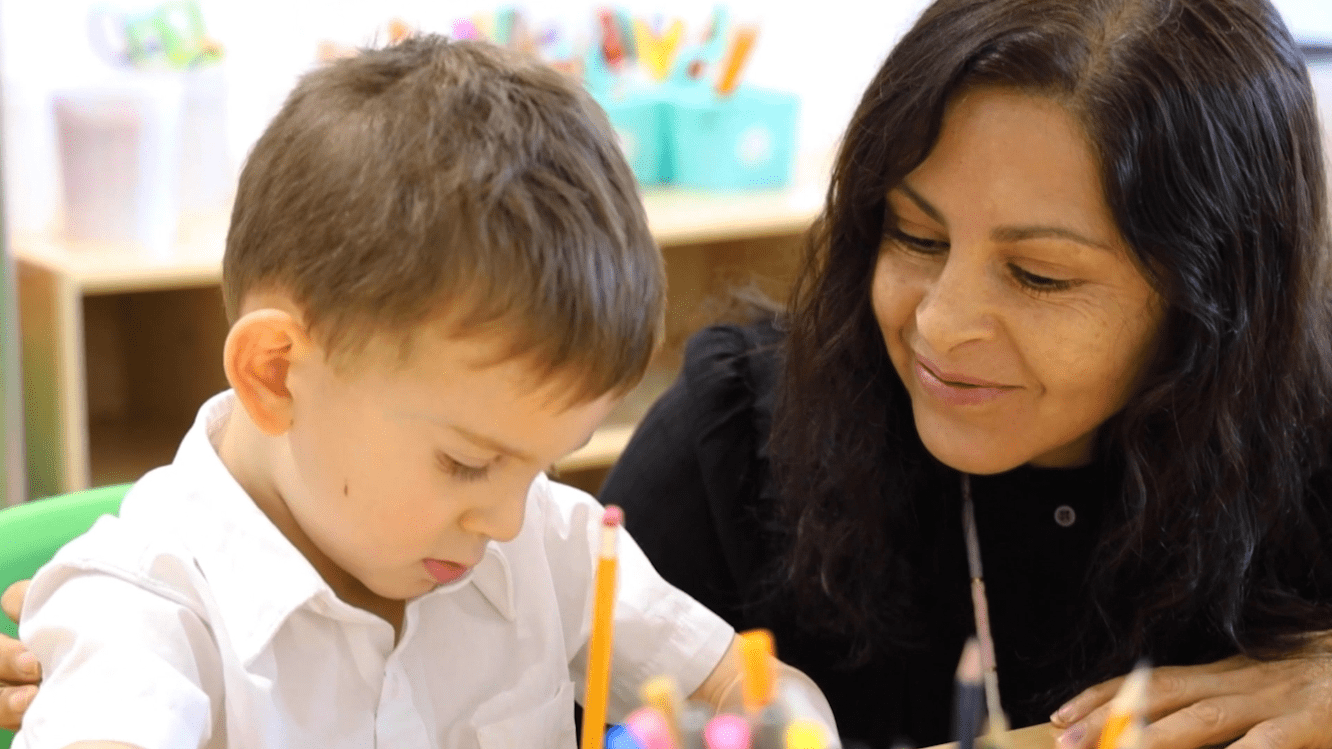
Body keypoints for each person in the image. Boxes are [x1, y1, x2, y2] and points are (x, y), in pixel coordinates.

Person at [0, 36, 835, 749]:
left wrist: (778, 723)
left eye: (546, 462)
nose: (508, 517)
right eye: (468, 462)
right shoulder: (143, 603)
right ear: (276, 373)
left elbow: (745, 683)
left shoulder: (543, 538)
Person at [597, 0, 1332, 748]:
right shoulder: (730, 441)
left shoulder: (1311, 432)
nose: (940, 323)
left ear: (1218, 289)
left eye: (1038, 275)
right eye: (914, 235)